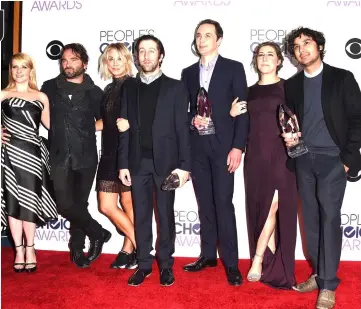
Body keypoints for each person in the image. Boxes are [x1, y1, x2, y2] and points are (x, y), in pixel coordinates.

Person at [284, 27, 361, 309]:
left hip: (332, 161)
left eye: (307, 43)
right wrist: (290, 139)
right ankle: (319, 273)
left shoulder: (341, 78)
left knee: (329, 220)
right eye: (296, 46)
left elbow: (357, 119)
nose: (302, 48)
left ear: (319, 46)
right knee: (312, 223)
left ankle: (328, 285)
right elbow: (291, 123)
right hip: (304, 159)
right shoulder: (292, 86)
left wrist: (348, 159)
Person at [118, 35, 190, 287]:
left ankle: (166, 265)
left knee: (165, 216)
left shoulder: (176, 87)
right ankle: (144, 264)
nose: (146, 56)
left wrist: (185, 166)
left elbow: (183, 129)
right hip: (137, 163)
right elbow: (124, 128)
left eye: (152, 51)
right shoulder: (128, 87)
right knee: (141, 216)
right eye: (142, 51)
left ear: (161, 56)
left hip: (167, 164)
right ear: (136, 56)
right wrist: (123, 163)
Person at [181, 19, 248, 286]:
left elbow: (241, 110)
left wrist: (238, 147)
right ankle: (208, 255)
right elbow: (183, 111)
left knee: (223, 203)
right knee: (204, 204)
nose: (202, 39)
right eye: (198, 35)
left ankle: (231, 263)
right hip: (198, 147)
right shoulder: (187, 73)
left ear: (218, 39)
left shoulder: (233, 68)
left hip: (223, 148)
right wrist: (191, 120)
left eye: (208, 35)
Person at [231, 42, 298, 289]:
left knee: (274, 205)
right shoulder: (248, 92)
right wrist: (232, 114)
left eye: (271, 55)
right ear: (255, 61)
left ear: (279, 60)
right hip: (255, 156)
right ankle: (270, 262)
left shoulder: (289, 88)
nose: (266, 59)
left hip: (282, 154)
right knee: (260, 208)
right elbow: (239, 127)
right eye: (261, 55)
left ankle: (258, 259)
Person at [41, 43, 111, 268]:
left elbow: (106, 120)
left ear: (85, 63)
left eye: (73, 60)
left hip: (86, 156)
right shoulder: (49, 87)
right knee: (63, 204)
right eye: (64, 60)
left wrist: (89, 129)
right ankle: (98, 232)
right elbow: (38, 113)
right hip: (59, 154)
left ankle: (77, 249)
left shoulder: (94, 92)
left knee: (80, 203)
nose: (67, 64)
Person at [1, 52, 57, 272]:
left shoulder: (41, 97)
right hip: (10, 154)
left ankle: (31, 248)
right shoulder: (3, 94)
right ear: (11, 70)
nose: (19, 71)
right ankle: (19, 250)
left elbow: (52, 127)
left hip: (32, 155)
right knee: (13, 204)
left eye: (23, 67)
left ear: (30, 69)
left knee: (30, 202)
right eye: (15, 67)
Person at [96, 43, 137, 269]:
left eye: (119, 58)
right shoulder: (109, 89)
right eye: (110, 59)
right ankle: (142, 246)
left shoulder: (134, 85)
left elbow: (144, 118)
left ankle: (129, 249)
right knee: (106, 206)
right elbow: (108, 121)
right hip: (109, 152)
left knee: (129, 203)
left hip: (128, 151)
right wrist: (81, 127)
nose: (114, 63)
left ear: (127, 61)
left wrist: (132, 123)